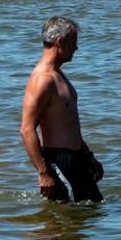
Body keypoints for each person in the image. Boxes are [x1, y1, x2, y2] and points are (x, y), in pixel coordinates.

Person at [20, 16, 102, 203]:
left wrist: (88, 156)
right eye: (74, 43)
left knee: (92, 212)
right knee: (69, 219)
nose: (77, 48)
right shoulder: (43, 80)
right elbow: (26, 129)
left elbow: (67, 124)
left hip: (77, 158)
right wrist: (43, 172)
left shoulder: (58, 74)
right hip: (59, 161)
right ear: (60, 42)